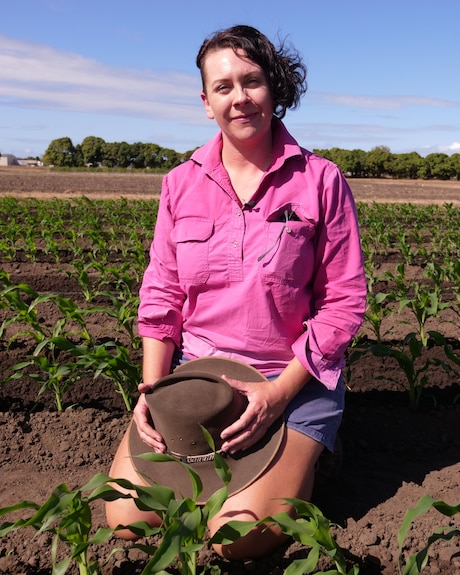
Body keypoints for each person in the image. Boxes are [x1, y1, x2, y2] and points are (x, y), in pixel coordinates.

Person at [105, 24, 366, 560]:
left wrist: (277, 394)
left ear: (275, 89)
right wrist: (153, 393)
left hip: (290, 380)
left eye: (252, 81)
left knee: (236, 540)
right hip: (201, 380)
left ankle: (307, 456)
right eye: (223, 87)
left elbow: (344, 304)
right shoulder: (181, 182)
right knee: (127, 518)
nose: (240, 97)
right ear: (206, 102)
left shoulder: (320, 180)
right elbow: (161, 298)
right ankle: (245, 481)